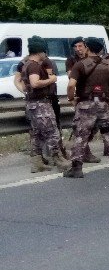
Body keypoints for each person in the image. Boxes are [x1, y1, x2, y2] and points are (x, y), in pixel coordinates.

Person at [64, 37, 109, 178]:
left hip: (86, 105)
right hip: (105, 104)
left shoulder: (80, 65)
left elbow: (71, 85)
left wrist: (71, 99)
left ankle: (77, 169)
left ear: (87, 48)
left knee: (81, 136)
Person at [18, 36, 71, 173]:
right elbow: (35, 83)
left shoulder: (26, 64)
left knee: (37, 134)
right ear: (40, 51)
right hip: (41, 104)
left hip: (32, 104)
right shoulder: (34, 65)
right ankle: (59, 160)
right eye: (44, 51)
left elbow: (24, 85)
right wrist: (51, 79)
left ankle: (37, 163)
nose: (45, 54)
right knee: (52, 132)